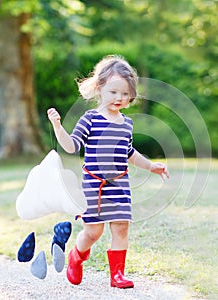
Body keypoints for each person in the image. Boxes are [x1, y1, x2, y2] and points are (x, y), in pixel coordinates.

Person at [47, 55, 169, 288]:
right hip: (94, 185)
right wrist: (58, 126)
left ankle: (117, 275)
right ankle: (76, 256)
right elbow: (72, 146)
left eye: (125, 94)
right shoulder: (90, 119)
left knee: (121, 225)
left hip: (119, 183)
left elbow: (129, 152)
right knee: (93, 232)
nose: (119, 98)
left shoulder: (126, 123)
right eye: (114, 92)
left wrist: (151, 166)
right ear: (100, 88)